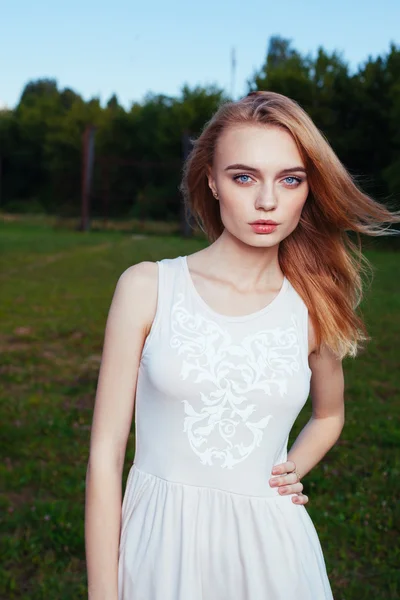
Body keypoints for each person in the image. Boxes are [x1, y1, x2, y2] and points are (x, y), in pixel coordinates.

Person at [85, 91, 400, 600]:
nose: (268, 201)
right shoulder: (148, 288)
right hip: (159, 547)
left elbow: (330, 414)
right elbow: (104, 455)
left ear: (308, 189)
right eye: (244, 176)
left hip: (272, 555)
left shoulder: (314, 308)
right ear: (211, 179)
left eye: (290, 179)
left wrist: (289, 469)